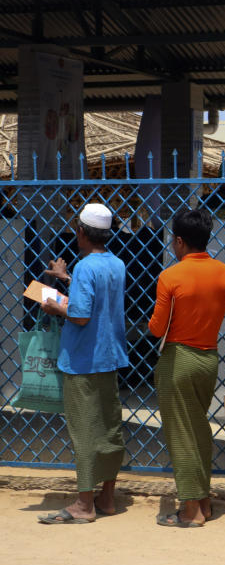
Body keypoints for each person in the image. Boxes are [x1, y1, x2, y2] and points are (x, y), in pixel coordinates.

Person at [38, 203, 128, 524]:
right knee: (109, 426)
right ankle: (106, 496)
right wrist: (68, 278)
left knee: (84, 430)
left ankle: (83, 504)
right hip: (110, 356)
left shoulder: (87, 267)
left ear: (81, 232)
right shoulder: (116, 264)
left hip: (83, 360)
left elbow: (79, 314)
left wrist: (54, 306)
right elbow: (97, 294)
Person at [149, 209, 225, 528]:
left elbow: (157, 328)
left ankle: (190, 509)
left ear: (180, 241)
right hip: (208, 358)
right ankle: (203, 502)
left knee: (181, 434)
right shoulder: (224, 273)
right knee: (198, 430)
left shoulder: (170, 276)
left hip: (179, 359)